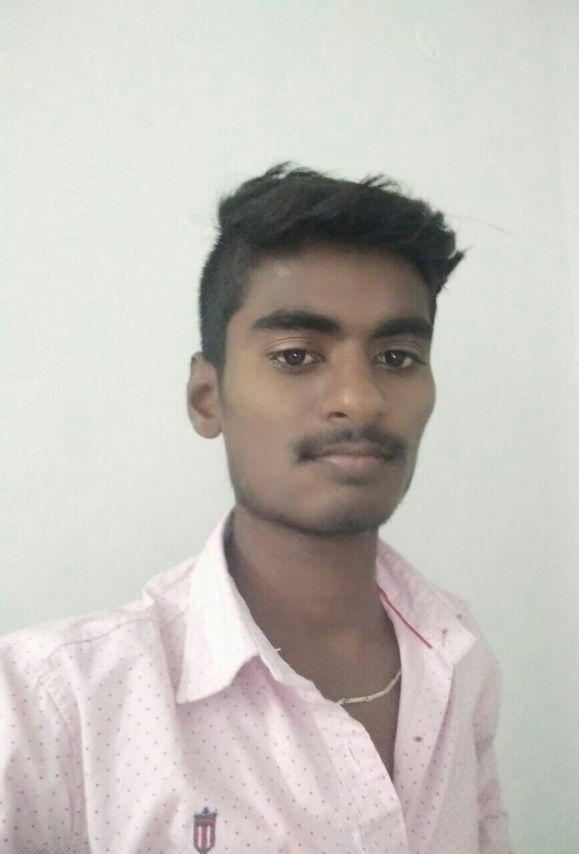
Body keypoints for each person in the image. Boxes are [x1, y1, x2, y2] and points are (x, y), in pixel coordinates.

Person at [0, 163, 512, 853]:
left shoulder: (457, 651)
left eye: (396, 357)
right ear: (206, 398)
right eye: (297, 356)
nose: (360, 400)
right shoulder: (52, 705)